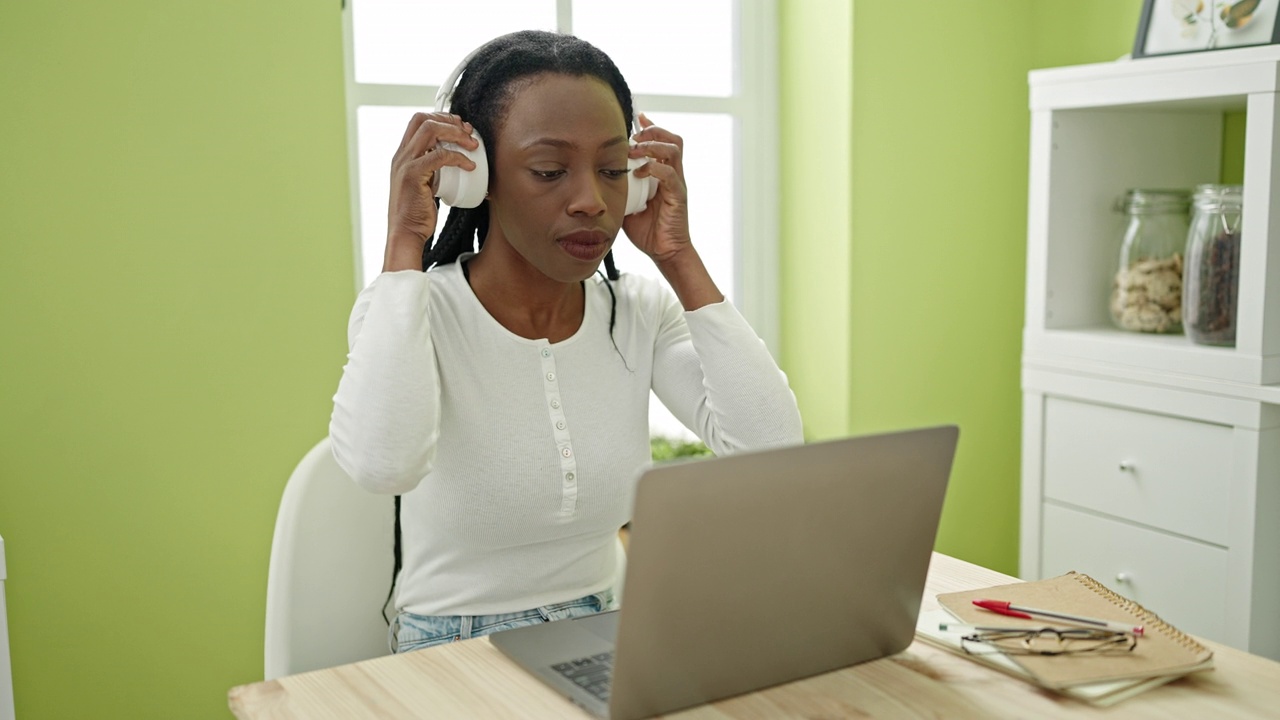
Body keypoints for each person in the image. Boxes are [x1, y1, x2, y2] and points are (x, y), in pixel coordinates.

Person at [330, 30, 803, 654]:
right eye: (550, 171)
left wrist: (678, 256)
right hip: (450, 648)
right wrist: (403, 247)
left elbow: (768, 447)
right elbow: (382, 464)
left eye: (612, 171)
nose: (591, 201)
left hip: (606, 632)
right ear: (472, 179)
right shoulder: (413, 310)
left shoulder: (638, 308)